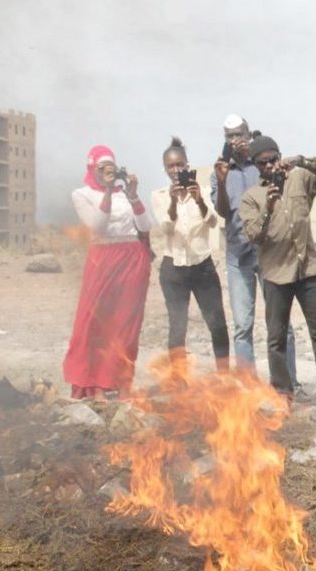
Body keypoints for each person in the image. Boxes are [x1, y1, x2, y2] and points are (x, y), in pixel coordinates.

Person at [237, 135, 316, 415]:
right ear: (255, 166)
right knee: (276, 339)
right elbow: (253, 236)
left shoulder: (300, 179)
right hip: (276, 275)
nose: (270, 166)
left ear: (280, 157)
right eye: (263, 163)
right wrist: (268, 210)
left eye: (274, 159)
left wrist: (300, 160)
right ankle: (282, 394)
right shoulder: (252, 197)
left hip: (308, 269)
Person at [211, 115, 299, 386]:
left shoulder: (263, 162)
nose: (235, 140)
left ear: (248, 133)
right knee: (242, 326)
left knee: (281, 324)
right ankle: (249, 388)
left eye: (239, 134)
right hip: (238, 255)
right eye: (229, 136)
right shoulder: (220, 170)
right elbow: (222, 211)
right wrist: (222, 180)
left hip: (269, 253)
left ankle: (288, 384)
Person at [63, 145, 152, 399]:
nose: (107, 173)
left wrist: (133, 196)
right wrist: (108, 194)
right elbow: (97, 227)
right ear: (92, 168)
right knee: (95, 324)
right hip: (102, 259)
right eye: (102, 169)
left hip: (133, 258)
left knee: (126, 325)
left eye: (111, 168)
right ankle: (96, 387)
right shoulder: (81, 194)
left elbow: (145, 226)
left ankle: (123, 384)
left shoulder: (125, 193)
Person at [151, 137, 229, 378]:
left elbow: (214, 221)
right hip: (173, 268)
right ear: (165, 169)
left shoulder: (203, 191)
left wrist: (198, 200)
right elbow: (165, 228)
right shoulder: (160, 195)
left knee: (217, 323)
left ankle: (224, 377)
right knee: (177, 327)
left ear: (187, 165)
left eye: (180, 165)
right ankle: (178, 380)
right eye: (171, 166)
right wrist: (174, 201)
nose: (176, 171)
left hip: (202, 266)